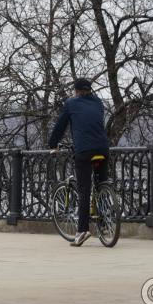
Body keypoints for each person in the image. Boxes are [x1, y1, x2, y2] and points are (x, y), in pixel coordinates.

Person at [49, 78, 109, 246]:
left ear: (76, 91)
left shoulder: (71, 103)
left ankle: (82, 231)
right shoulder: (98, 102)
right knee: (102, 183)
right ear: (90, 90)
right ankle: (105, 222)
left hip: (84, 150)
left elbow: (61, 126)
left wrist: (53, 144)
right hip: (103, 148)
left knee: (84, 190)